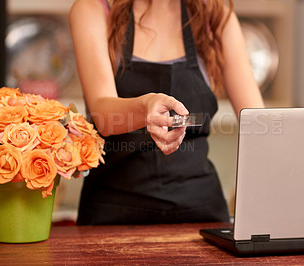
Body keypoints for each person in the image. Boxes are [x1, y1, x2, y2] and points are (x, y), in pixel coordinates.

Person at [69, 0, 264, 225]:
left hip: (201, 212)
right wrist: (145, 107)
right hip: (113, 210)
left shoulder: (216, 16)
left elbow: (257, 122)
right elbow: (103, 114)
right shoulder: (93, 9)